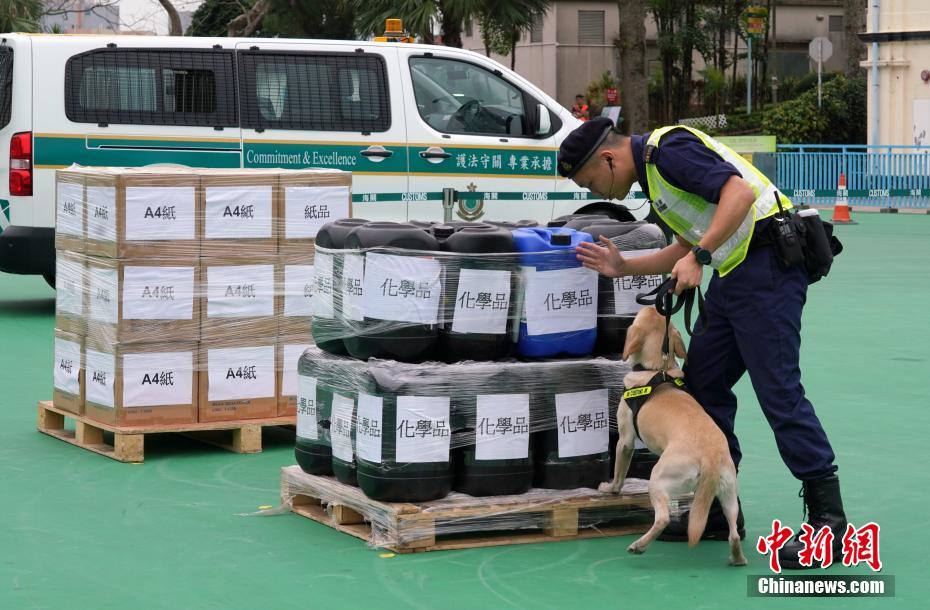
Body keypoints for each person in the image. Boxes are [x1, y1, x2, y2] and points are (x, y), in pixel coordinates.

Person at [558, 117, 847, 570]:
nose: (597, 191)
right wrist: (623, 267)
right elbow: (684, 245)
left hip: (768, 267)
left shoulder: (668, 152)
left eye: (591, 181)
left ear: (607, 158)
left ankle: (829, 524)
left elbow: (739, 194)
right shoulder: (653, 178)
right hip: (736, 275)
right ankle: (714, 506)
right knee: (704, 383)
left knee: (779, 393)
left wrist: (700, 256)